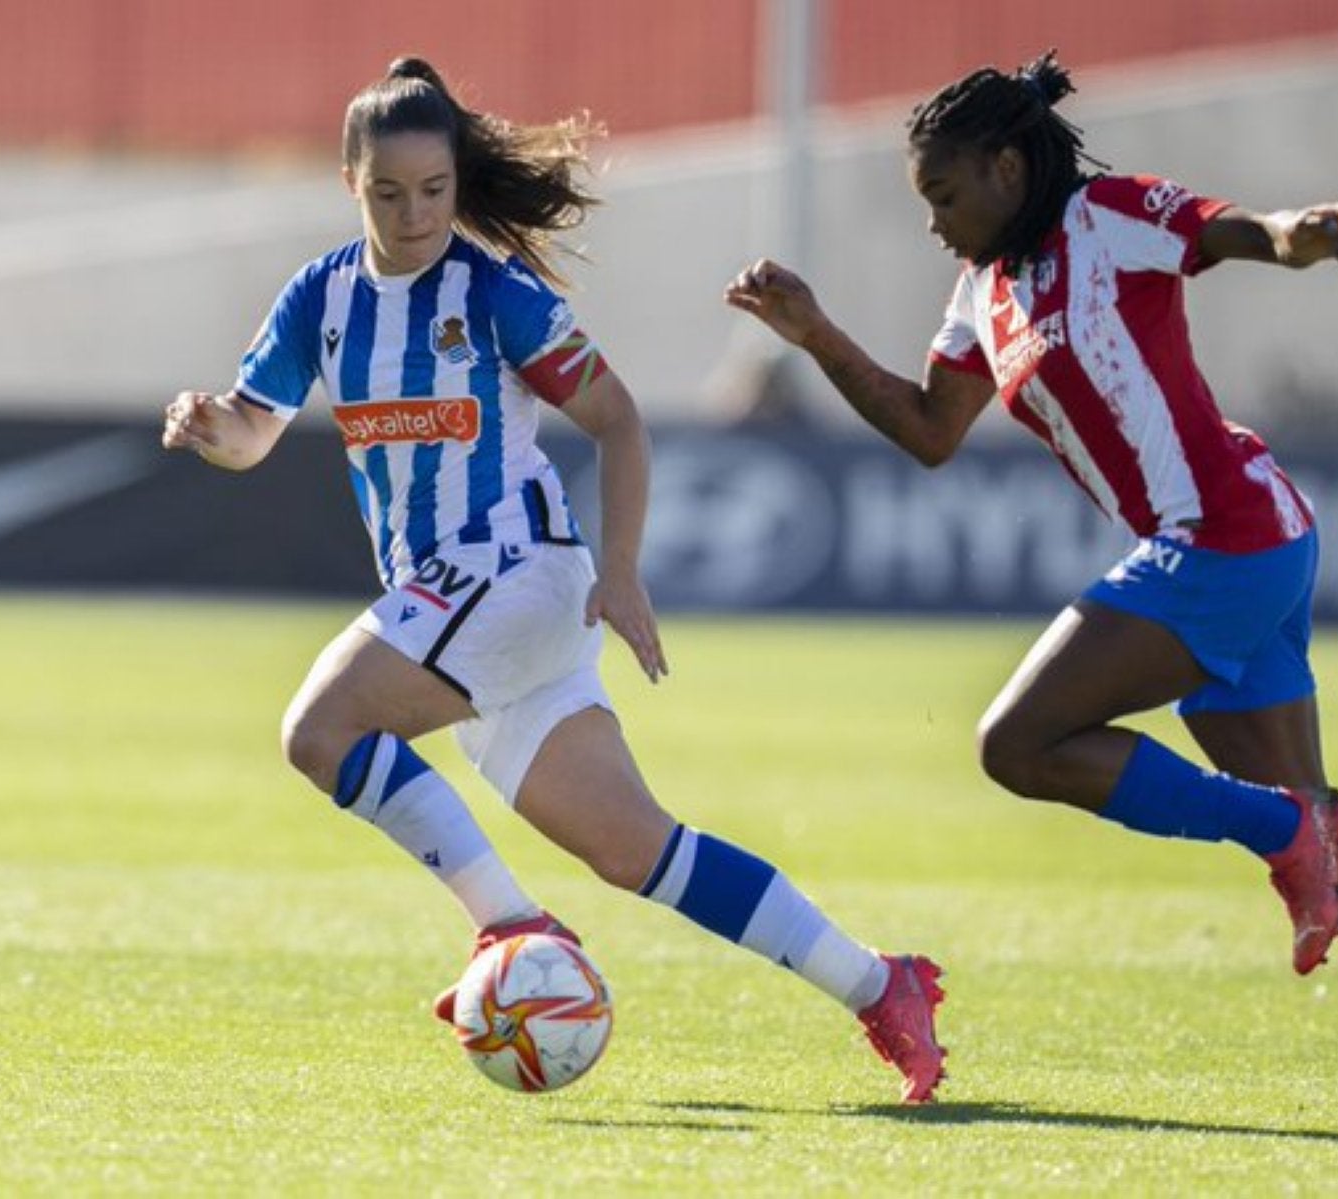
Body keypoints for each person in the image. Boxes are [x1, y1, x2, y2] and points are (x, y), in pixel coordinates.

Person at [725, 50, 1338, 1132]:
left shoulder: (1105, 216)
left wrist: (1313, 234)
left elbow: (1246, 232)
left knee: (1017, 743)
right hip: (1226, 541)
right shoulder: (985, 287)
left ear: (1010, 168)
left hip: (1226, 534)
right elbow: (929, 429)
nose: (933, 221)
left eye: (944, 193)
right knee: (1326, 833)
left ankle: (1279, 826)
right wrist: (816, 334)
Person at [161, 57, 945, 1104]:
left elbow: (618, 420)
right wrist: (214, 428)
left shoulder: (493, 293)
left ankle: (510, 926)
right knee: (641, 852)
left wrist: (619, 571)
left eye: (434, 191)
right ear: (353, 185)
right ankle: (882, 983)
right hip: (459, 606)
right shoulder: (323, 295)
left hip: (518, 572)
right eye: (388, 193)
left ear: (457, 183)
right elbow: (253, 429)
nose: (414, 213)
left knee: (321, 730)